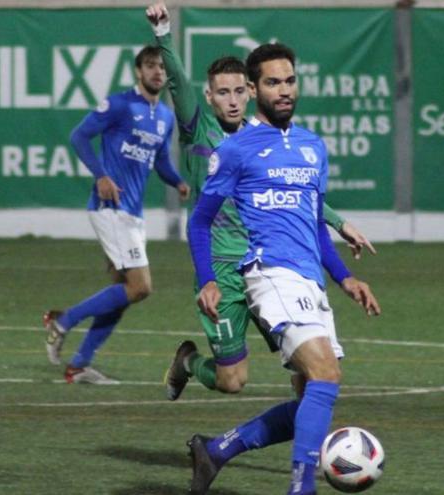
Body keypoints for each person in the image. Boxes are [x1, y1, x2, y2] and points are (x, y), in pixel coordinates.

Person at [145, 3, 376, 400]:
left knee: (309, 369)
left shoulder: (263, 138)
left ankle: (306, 445)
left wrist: (339, 222)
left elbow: (295, 194)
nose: (232, 100)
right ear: (209, 96)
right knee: (232, 381)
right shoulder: (198, 129)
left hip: (265, 262)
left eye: (239, 91)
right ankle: (188, 363)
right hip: (222, 267)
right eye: (223, 92)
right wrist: (164, 32)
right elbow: (178, 82)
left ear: (250, 92)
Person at [186, 42, 381, 494]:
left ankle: (216, 450)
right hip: (269, 274)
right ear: (254, 90)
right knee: (326, 375)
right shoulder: (237, 150)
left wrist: (345, 277)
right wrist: (208, 279)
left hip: (310, 279)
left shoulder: (313, 146)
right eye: (273, 83)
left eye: (290, 80)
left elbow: (314, 224)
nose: (285, 90)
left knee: (312, 401)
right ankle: (301, 487)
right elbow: (200, 220)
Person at [43, 45, 191, 385]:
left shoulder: (164, 116)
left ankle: (79, 364)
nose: (157, 72)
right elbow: (79, 136)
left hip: (133, 214)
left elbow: (160, 162)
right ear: (139, 71)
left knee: (122, 295)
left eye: (162, 67)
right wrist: (101, 175)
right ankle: (63, 321)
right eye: (150, 66)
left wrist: (178, 182)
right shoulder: (120, 104)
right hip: (110, 208)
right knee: (141, 287)